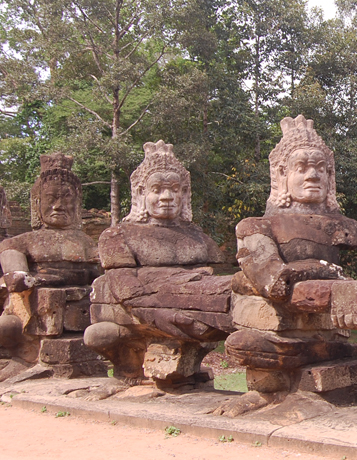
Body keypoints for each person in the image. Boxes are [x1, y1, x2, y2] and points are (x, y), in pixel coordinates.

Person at [220, 115, 357, 415]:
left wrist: (308, 269)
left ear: (331, 176)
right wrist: (325, 269)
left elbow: (287, 277)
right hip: (277, 330)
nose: (312, 176)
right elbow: (275, 283)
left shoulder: (348, 228)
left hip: (327, 333)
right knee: (244, 344)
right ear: (280, 176)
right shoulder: (255, 227)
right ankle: (271, 391)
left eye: (320, 168)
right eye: (301, 168)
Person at [85, 141, 231, 388]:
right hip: (147, 310)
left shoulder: (197, 238)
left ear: (184, 193)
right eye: (157, 189)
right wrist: (162, 315)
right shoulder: (118, 236)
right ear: (141, 193)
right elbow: (127, 291)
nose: (167, 197)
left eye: (174, 189)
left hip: (200, 300)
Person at [0, 153, 101, 373]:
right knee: (5, 327)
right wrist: (18, 273)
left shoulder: (85, 241)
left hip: (82, 309)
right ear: (37, 203)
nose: (58, 206)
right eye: (51, 198)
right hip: (34, 311)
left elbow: (99, 272)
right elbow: (10, 256)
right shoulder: (26, 240)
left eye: (66, 198)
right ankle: (22, 358)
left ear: (76, 203)